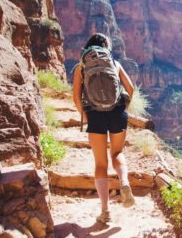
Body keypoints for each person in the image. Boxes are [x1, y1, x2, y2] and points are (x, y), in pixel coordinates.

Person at [72, 33, 135, 223]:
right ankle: (124, 182)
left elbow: (76, 97)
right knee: (117, 153)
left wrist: (86, 115)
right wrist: (123, 108)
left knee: (100, 164)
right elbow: (130, 88)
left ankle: (105, 211)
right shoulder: (115, 64)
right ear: (105, 47)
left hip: (95, 116)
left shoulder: (81, 66)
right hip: (117, 112)